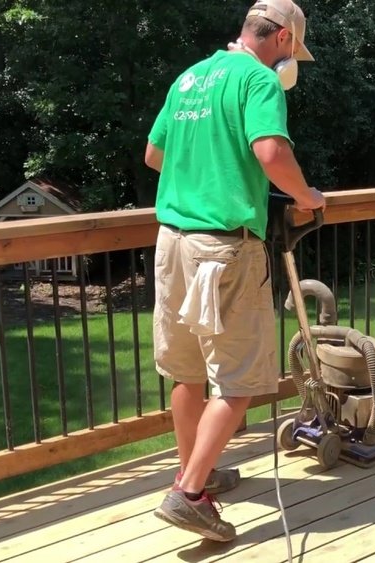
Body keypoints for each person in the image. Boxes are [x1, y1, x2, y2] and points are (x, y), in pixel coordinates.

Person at [143, 0, 325, 542]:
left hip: (171, 240)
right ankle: (190, 494)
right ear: (284, 41)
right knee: (241, 378)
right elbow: (270, 151)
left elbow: (155, 155)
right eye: (294, 50)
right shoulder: (258, 79)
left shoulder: (191, 77)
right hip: (223, 248)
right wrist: (306, 196)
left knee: (188, 370)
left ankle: (192, 469)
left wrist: (207, 168)